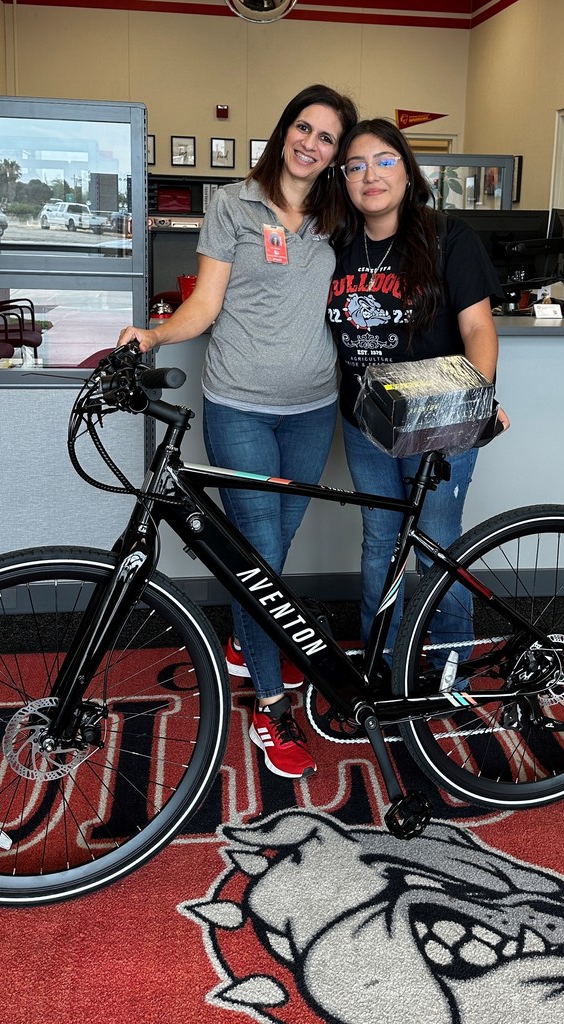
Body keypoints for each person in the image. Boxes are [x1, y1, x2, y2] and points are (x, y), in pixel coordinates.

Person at [118, 84, 358, 780]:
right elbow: (206, 303)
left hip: (315, 411)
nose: (311, 143)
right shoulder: (233, 204)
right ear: (286, 129)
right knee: (259, 561)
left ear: (337, 153)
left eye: (327, 138)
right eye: (304, 128)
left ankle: (244, 636)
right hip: (241, 408)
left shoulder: (336, 218)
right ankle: (271, 707)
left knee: (269, 552)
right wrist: (156, 335)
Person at [326, 117, 510, 656]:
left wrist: (475, 403)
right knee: (380, 542)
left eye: (384, 161)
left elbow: (478, 328)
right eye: (356, 165)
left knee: (436, 544)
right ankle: (381, 661)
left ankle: (451, 662)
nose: (370, 176)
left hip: (439, 420)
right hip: (365, 421)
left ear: (407, 171)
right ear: (343, 178)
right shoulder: (336, 243)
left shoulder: (449, 237)